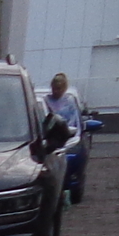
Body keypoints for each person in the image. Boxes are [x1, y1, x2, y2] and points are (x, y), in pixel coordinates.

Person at [43, 73, 87, 203]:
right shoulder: (45, 101)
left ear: (64, 88)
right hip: (49, 141)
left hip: (66, 140)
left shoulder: (70, 102)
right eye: (54, 88)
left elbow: (73, 124)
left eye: (58, 89)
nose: (55, 91)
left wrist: (68, 134)